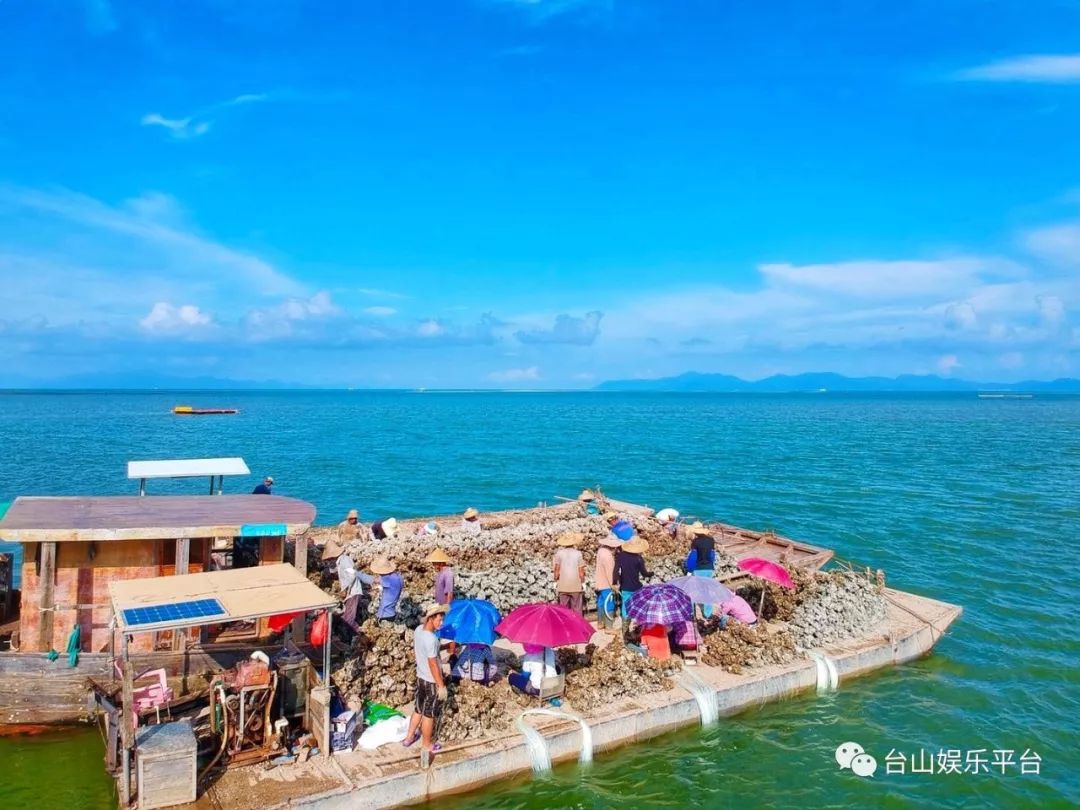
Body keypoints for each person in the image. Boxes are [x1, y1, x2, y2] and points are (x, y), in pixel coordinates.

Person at [403, 604, 449, 770]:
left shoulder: (418, 631)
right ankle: (427, 745)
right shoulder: (431, 639)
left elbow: (428, 652)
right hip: (430, 680)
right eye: (439, 619)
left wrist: (443, 646)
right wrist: (441, 685)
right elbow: (433, 664)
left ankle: (408, 738)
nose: (441, 622)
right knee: (429, 714)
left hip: (420, 676)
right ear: (431, 618)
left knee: (418, 708)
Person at [613, 538, 652, 619]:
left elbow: (615, 571)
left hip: (625, 586)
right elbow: (644, 573)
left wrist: (614, 582)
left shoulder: (620, 556)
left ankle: (625, 627)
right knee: (637, 605)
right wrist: (651, 574)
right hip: (636, 586)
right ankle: (636, 623)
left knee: (625, 605)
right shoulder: (639, 559)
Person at [357, 557, 403, 623]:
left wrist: (357, 574)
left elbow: (371, 579)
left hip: (384, 615)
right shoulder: (398, 577)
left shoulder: (387, 579)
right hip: (392, 613)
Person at [685, 521, 717, 618]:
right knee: (707, 590)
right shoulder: (711, 540)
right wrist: (711, 564)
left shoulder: (695, 542)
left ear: (696, 532)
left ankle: (692, 612)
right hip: (709, 568)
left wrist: (690, 569)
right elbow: (712, 555)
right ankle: (708, 613)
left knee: (694, 590)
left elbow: (693, 557)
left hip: (699, 569)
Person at [552, 532, 586, 616]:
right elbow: (581, 571)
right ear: (573, 542)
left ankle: (565, 625)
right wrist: (583, 582)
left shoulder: (559, 553)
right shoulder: (578, 553)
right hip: (575, 585)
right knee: (577, 608)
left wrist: (555, 581)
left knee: (563, 609)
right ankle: (577, 625)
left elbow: (556, 570)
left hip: (563, 585)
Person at [335, 548, 366, 637]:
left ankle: (362, 635)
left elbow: (352, 575)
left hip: (354, 592)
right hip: (351, 593)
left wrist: (345, 589)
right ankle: (354, 636)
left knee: (348, 618)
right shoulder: (340, 561)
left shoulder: (345, 560)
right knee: (347, 617)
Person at [594, 534, 620, 629]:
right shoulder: (608, 556)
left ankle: (600, 623)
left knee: (600, 602)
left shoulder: (601, 550)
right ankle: (609, 627)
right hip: (606, 584)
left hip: (599, 582)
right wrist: (614, 585)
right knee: (609, 603)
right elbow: (610, 573)